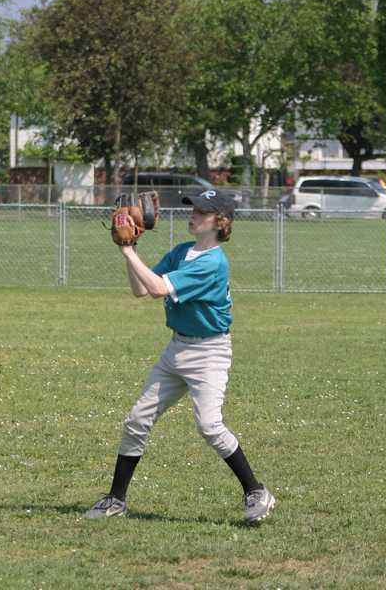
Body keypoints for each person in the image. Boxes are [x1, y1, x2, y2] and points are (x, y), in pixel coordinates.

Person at [85, 189, 276, 524]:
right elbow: (141, 289)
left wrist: (128, 250)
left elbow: (159, 288)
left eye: (202, 211)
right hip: (178, 348)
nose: (193, 214)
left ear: (220, 221)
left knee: (209, 426)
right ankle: (116, 499)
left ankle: (256, 491)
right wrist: (130, 250)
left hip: (209, 353)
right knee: (137, 420)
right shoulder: (181, 252)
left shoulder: (213, 262)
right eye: (193, 208)